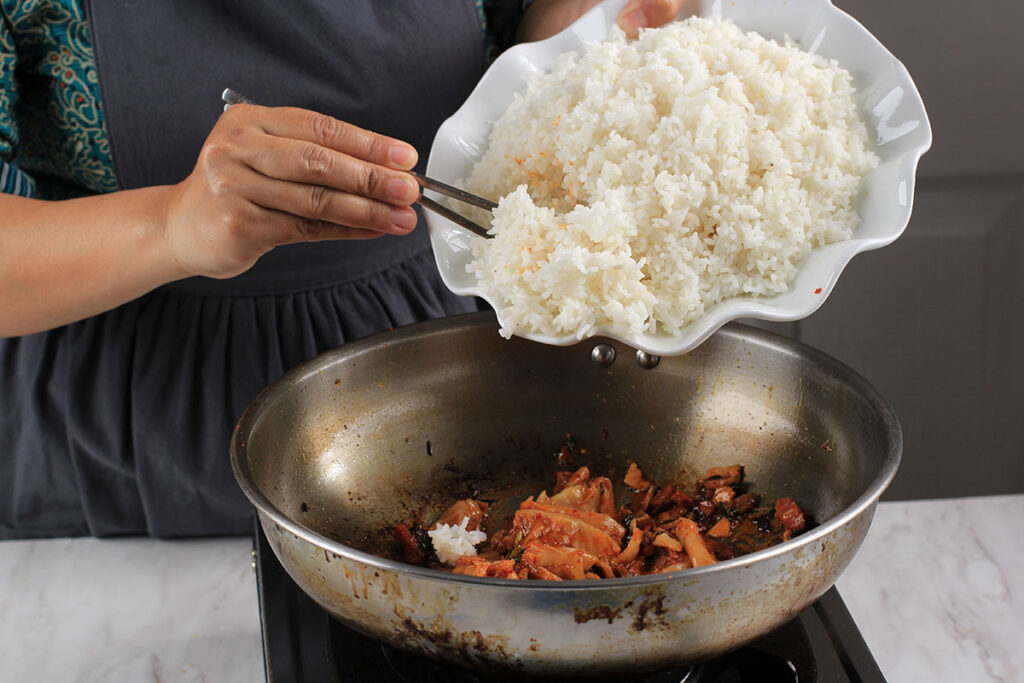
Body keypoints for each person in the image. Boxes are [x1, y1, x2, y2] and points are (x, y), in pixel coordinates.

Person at [0, 0, 682, 539]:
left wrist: (587, 28)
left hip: (454, 380)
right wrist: (170, 225)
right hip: (123, 441)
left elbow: (519, 21)